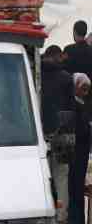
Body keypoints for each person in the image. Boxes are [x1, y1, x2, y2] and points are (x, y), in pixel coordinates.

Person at [43, 45, 75, 136]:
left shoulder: (33, 74)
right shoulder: (66, 77)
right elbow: (71, 106)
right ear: (57, 57)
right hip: (58, 129)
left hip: (35, 126)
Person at [72, 73, 92, 224]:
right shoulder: (74, 104)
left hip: (81, 153)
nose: (85, 93)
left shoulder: (81, 103)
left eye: (87, 90)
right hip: (77, 153)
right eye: (83, 88)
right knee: (76, 188)